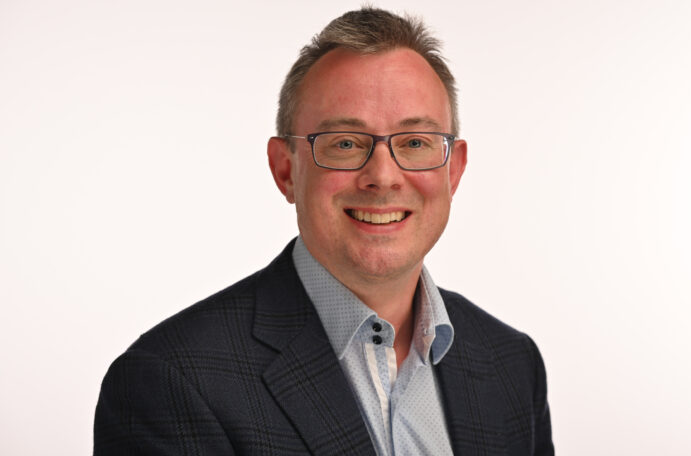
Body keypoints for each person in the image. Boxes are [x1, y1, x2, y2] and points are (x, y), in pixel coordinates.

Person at [94, 7, 554, 455]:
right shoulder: (168, 381)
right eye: (345, 143)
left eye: (415, 142)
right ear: (285, 170)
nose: (383, 177)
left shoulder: (512, 363)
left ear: (453, 171)